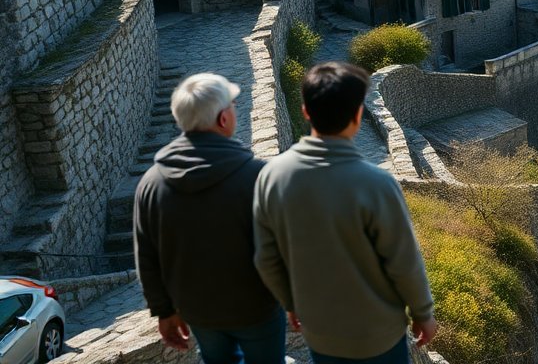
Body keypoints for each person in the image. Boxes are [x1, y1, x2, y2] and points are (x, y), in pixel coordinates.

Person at [253, 62, 437, 364]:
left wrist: (290, 302)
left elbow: (265, 258)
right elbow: (403, 261)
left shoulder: (271, 177)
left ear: (305, 112)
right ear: (358, 115)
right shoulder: (377, 184)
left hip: (321, 332)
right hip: (380, 334)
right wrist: (423, 313)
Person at [133, 73, 285, 364]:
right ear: (223, 119)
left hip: (197, 310)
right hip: (256, 308)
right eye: (233, 105)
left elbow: (147, 256)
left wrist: (163, 311)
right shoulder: (257, 176)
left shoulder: (151, 183)